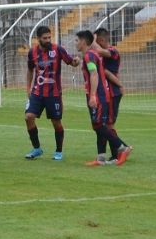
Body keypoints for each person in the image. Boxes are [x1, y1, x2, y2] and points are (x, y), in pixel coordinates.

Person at [75, 30, 133, 166]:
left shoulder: (90, 55)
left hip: (100, 95)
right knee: (98, 125)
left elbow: (94, 74)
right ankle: (101, 158)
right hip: (99, 94)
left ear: (83, 42)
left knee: (99, 125)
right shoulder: (90, 55)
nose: (75, 43)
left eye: (77, 40)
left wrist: (93, 95)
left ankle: (122, 148)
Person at [23, 26, 80, 161]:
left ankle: (58, 151)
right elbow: (30, 70)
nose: (48, 40)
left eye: (49, 37)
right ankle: (37, 148)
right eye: (45, 38)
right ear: (38, 39)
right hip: (37, 92)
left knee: (56, 122)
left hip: (54, 94)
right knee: (28, 117)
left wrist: (76, 61)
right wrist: (28, 88)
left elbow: (71, 62)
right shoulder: (32, 52)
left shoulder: (58, 49)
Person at [92, 28, 129, 162]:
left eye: (95, 41)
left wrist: (119, 85)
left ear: (101, 40)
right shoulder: (101, 56)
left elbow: (106, 72)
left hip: (113, 93)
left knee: (108, 125)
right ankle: (119, 150)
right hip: (106, 93)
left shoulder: (113, 51)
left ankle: (120, 150)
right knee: (105, 124)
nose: (93, 44)